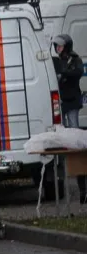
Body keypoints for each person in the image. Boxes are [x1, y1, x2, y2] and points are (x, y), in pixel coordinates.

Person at [53, 34, 86, 203]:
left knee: (74, 133)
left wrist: (64, 73)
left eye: (60, 46)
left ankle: (82, 187)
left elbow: (78, 72)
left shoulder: (74, 59)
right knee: (63, 136)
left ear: (66, 46)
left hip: (72, 102)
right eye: (56, 46)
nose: (58, 48)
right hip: (62, 102)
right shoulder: (56, 61)